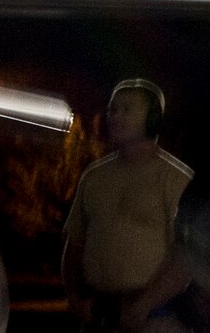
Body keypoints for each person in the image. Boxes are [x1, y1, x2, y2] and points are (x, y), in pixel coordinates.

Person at [64, 79, 194, 331]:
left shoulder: (176, 180)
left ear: (153, 118)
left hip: (155, 320)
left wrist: (143, 305)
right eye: (113, 108)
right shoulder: (94, 177)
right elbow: (74, 245)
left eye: (127, 109)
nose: (115, 116)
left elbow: (186, 259)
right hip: (97, 317)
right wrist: (75, 297)